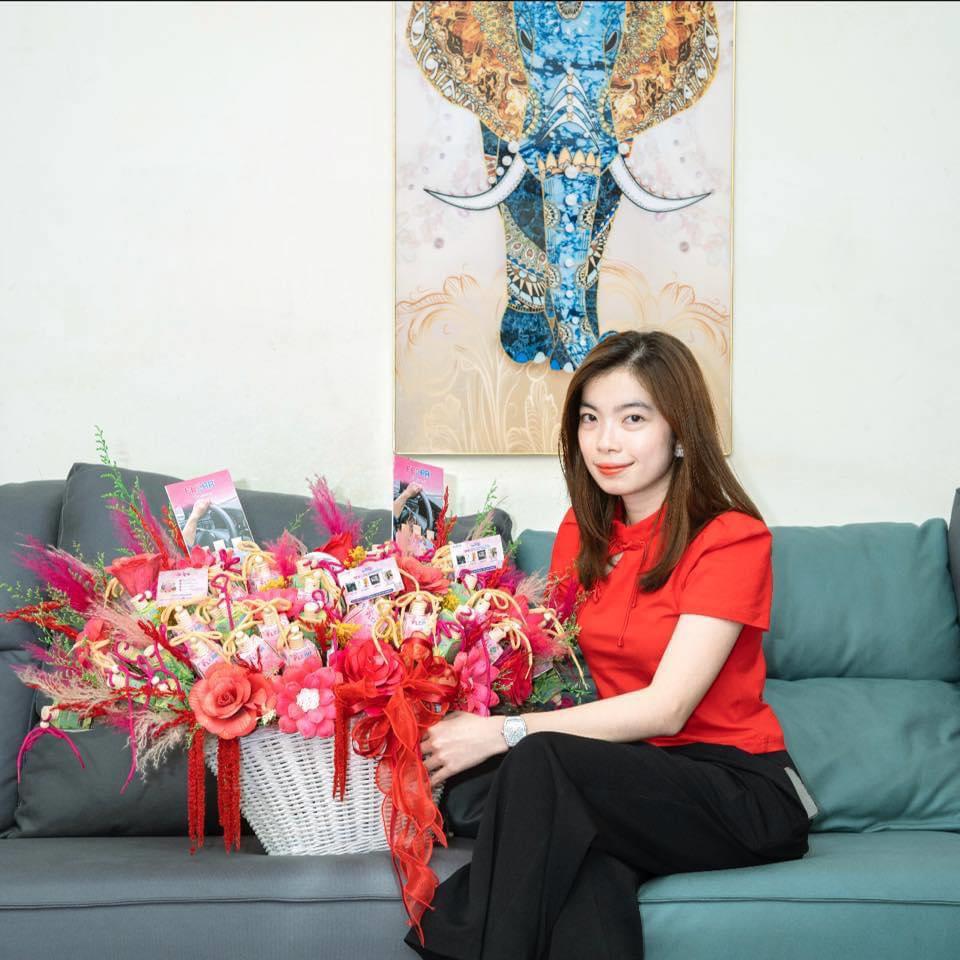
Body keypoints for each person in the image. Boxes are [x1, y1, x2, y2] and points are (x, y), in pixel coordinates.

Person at [403, 330, 818, 960]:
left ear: (681, 431)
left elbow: (666, 709)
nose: (605, 441)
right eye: (590, 418)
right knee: (584, 871)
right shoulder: (582, 532)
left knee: (540, 765)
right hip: (615, 780)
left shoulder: (730, 538)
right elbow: (555, 670)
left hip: (734, 790)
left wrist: (503, 734)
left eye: (633, 418)